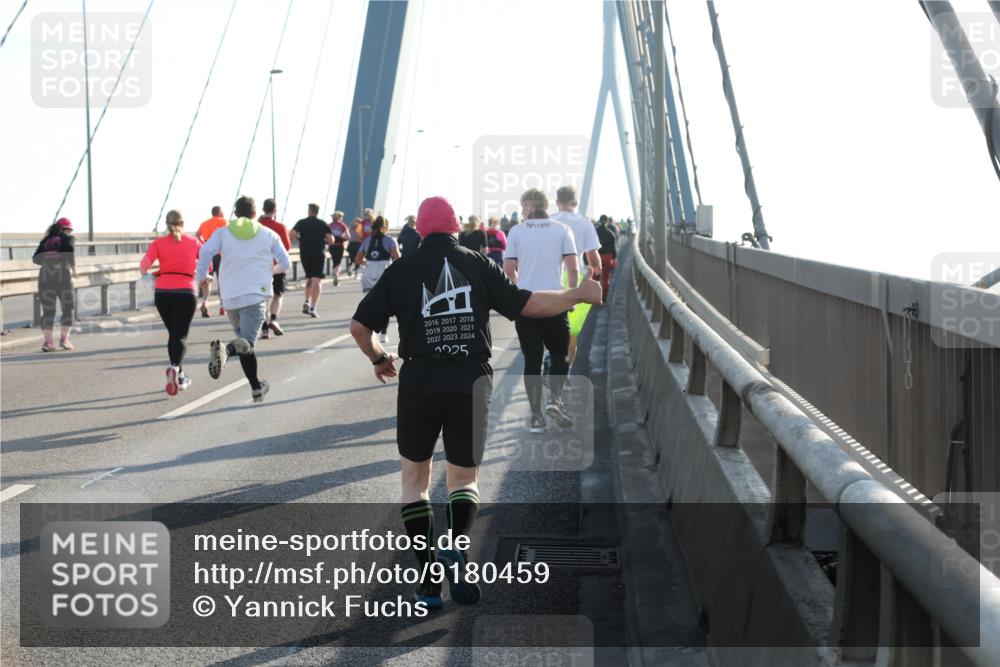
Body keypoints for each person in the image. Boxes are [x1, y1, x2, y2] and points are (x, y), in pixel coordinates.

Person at [350, 195, 601, 609]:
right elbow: (529, 305)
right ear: (454, 228)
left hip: (419, 379)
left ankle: (430, 584)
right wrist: (578, 295)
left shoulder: (400, 270)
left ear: (421, 230)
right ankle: (457, 548)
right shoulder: (477, 263)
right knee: (463, 480)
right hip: (469, 377)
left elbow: (360, 328)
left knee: (414, 482)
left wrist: (379, 357)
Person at [196, 195, 290, 404]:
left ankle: (256, 388)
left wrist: (202, 277)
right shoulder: (268, 234)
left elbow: (204, 251)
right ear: (255, 214)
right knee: (245, 343)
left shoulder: (223, 233)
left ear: (235, 213)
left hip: (229, 298)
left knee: (246, 346)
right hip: (255, 295)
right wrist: (271, 270)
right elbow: (285, 263)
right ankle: (225, 349)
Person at [504, 188, 579, 433]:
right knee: (559, 353)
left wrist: (520, 289)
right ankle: (554, 400)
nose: (522, 210)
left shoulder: (516, 231)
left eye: (522, 205)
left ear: (529, 204)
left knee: (532, 361)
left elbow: (508, 269)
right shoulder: (562, 230)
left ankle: (536, 417)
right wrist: (571, 296)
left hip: (527, 304)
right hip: (555, 301)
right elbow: (572, 268)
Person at [140, 210, 202, 394]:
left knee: (173, 334)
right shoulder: (194, 242)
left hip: (163, 293)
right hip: (186, 291)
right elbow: (209, 264)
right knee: (180, 336)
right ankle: (175, 368)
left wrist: (155, 275)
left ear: (167, 225)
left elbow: (143, 267)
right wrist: (197, 270)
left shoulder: (158, 243)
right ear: (183, 223)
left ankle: (179, 373)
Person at [549, 185, 602, 370]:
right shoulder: (585, 223)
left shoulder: (547, 220)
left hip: (550, 276)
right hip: (576, 276)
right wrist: (595, 272)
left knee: (548, 321)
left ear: (557, 202)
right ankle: (566, 373)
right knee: (572, 331)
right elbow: (594, 258)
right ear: (575, 202)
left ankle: (549, 356)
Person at [32, 217, 77, 352]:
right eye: (69, 229)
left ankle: (48, 342)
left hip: (45, 278)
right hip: (63, 278)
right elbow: (69, 252)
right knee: (68, 308)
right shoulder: (68, 238)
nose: (70, 232)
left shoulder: (46, 241)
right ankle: (64, 340)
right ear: (65, 229)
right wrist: (74, 269)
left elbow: (35, 258)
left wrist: (49, 261)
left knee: (48, 311)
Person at [354, 215, 400, 344]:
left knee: (370, 304)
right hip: (383, 271)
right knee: (385, 304)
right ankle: (383, 334)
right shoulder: (390, 240)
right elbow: (397, 258)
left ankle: (370, 331)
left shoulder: (367, 241)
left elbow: (357, 259)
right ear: (385, 227)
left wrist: (367, 263)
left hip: (369, 273)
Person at [290, 203, 335, 318]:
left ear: (309, 211)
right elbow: (331, 241)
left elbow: (292, 234)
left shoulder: (301, 222)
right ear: (317, 212)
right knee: (317, 281)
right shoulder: (323, 224)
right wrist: (324, 240)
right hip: (318, 254)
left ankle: (306, 300)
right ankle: (313, 307)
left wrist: (300, 239)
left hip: (305, 254)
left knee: (309, 278)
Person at [258, 198, 291, 338]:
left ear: (262, 209)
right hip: (276, 265)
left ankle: (264, 329)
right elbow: (287, 247)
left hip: (259, 266)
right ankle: (274, 319)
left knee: (263, 297)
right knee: (277, 295)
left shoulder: (257, 225)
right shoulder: (280, 227)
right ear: (275, 210)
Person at [196, 206, 227, 317]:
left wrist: (203, 243)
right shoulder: (224, 222)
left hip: (208, 253)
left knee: (207, 280)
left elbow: (197, 235)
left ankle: (205, 301)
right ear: (219, 212)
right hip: (219, 253)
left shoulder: (204, 223)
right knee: (221, 280)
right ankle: (222, 306)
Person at [596, 214, 618, 301]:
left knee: (595, 278)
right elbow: (613, 248)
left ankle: (596, 297)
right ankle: (604, 298)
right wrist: (615, 259)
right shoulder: (611, 234)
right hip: (607, 257)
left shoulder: (594, 232)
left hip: (596, 257)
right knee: (606, 279)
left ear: (599, 220)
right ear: (607, 222)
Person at [328, 211, 349, 286]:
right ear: (340, 217)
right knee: (338, 262)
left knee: (334, 260)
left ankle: (335, 272)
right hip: (339, 245)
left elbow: (326, 236)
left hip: (331, 246)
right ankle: (336, 273)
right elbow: (348, 236)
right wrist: (342, 238)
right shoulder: (342, 225)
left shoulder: (329, 225)